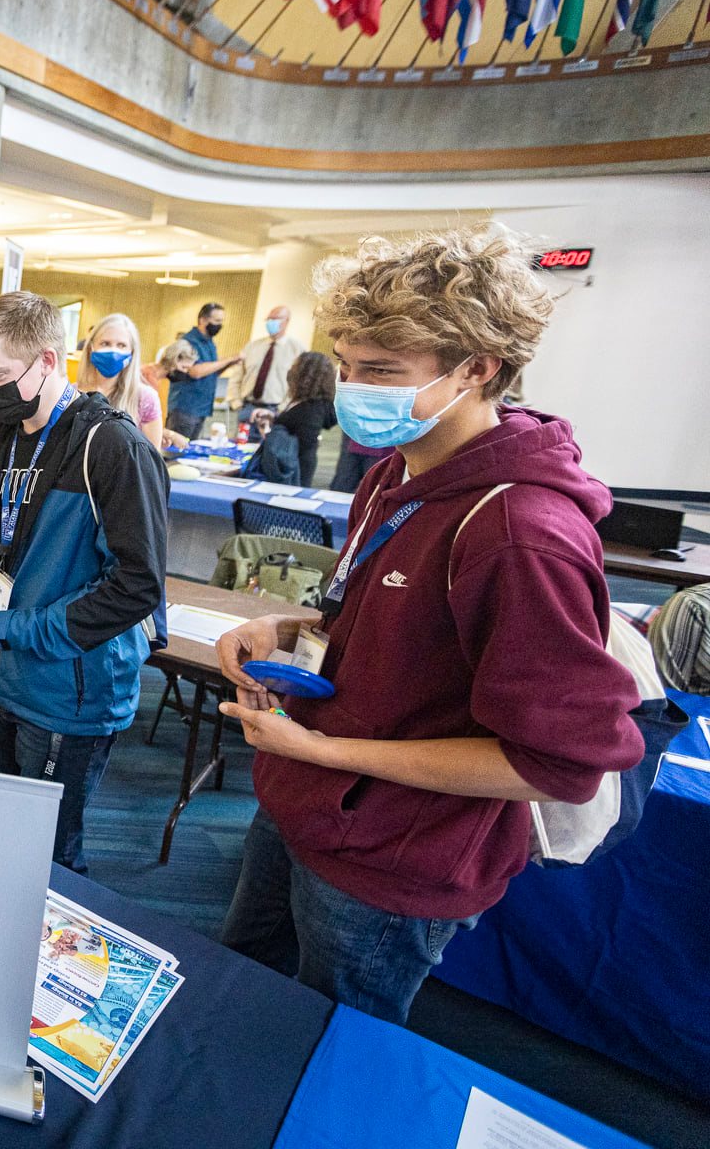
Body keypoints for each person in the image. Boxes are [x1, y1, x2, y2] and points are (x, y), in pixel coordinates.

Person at [213, 228, 645, 1024]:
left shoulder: (522, 533)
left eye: (379, 371)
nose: (352, 389)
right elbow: (384, 616)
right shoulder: (395, 471)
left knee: (325, 1052)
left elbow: (551, 766)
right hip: (300, 803)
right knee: (240, 1001)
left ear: (478, 368)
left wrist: (323, 751)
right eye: (345, 364)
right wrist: (284, 625)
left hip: (390, 863)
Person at [0, 292, 169, 873]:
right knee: (6, 831)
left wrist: (9, 629)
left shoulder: (112, 445)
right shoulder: (10, 428)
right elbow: (9, 546)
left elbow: (136, 587)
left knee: (50, 854)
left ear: (47, 361)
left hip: (68, 694)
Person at [75, 312, 186, 452]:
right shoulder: (72, 395)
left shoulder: (145, 398)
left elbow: (149, 462)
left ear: (132, 352)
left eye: (121, 345)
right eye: (105, 343)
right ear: (91, 348)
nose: (113, 351)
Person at [163, 301, 241, 441]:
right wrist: (227, 359)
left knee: (191, 452)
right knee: (175, 451)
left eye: (221, 321)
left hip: (202, 408)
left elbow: (211, 372)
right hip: (185, 408)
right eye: (216, 320)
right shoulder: (189, 342)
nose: (219, 325)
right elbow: (195, 371)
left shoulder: (210, 343)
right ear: (203, 320)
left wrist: (229, 364)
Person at [227, 305, 307, 429]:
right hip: (247, 408)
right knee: (244, 446)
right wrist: (236, 403)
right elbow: (237, 376)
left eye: (276, 319)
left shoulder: (297, 349)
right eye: (269, 319)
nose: (271, 322)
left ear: (287, 321)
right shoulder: (252, 346)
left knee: (271, 447)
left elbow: (302, 384)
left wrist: (283, 409)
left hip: (277, 411)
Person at [272, 351, 339, 487]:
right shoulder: (304, 402)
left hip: (294, 472)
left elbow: (302, 445)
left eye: (294, 367)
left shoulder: (311, 410)